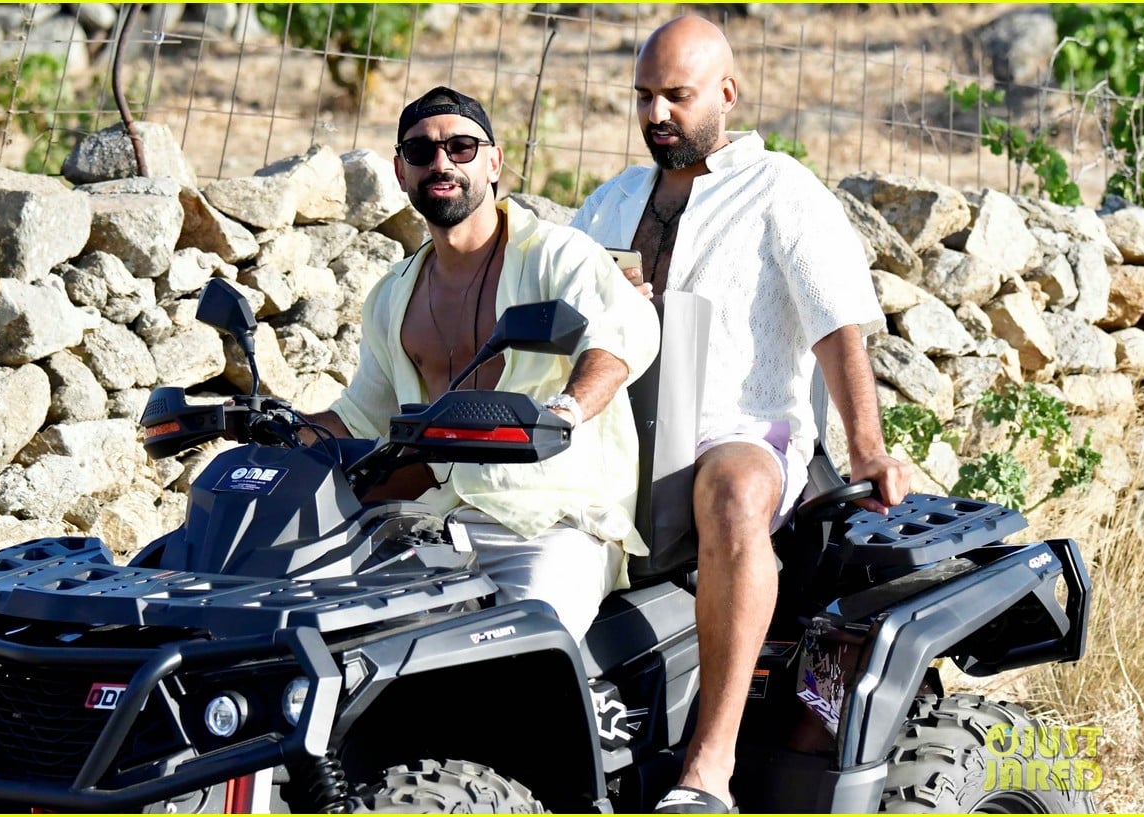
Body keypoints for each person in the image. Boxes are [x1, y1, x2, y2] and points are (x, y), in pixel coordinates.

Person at [570, 17, 912, 814]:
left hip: (745, 426)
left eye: (677, 97)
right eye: (645, 96)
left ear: (726, 93)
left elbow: (838, 325)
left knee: (730, 492)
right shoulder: (614, 198)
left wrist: (868, 449)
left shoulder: (781, 190)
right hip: (625, 432)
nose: (657, 114)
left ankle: (709, 768)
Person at [301, 86, 660, 642]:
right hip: (437, 522)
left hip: (551, 524)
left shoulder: (555, 255)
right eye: (421, 153)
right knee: (332, 639)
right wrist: (256, 427)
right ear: (401, 171)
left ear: (494, 161)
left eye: (462, 147)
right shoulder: (392, 295)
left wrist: (566, 409)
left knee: (525, 655)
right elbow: (359, 420)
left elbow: (623, 333)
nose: (441, 163)